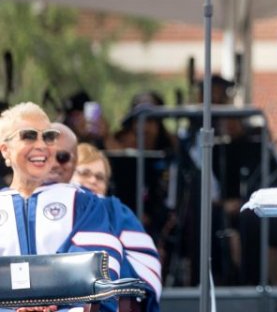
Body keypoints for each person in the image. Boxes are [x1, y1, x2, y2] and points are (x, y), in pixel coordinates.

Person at [0, 102, 125, 312]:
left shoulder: (84, 203)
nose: (41, 145)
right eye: (29, 136)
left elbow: (99, 270)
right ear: (6, 149)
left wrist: (53, 303)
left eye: (47, 137)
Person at [69, 141, 163, 312]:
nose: (92, 180)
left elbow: (142, 260)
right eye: (85, 173)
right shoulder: (57, 206)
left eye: (100, 177)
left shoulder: (116, 210)